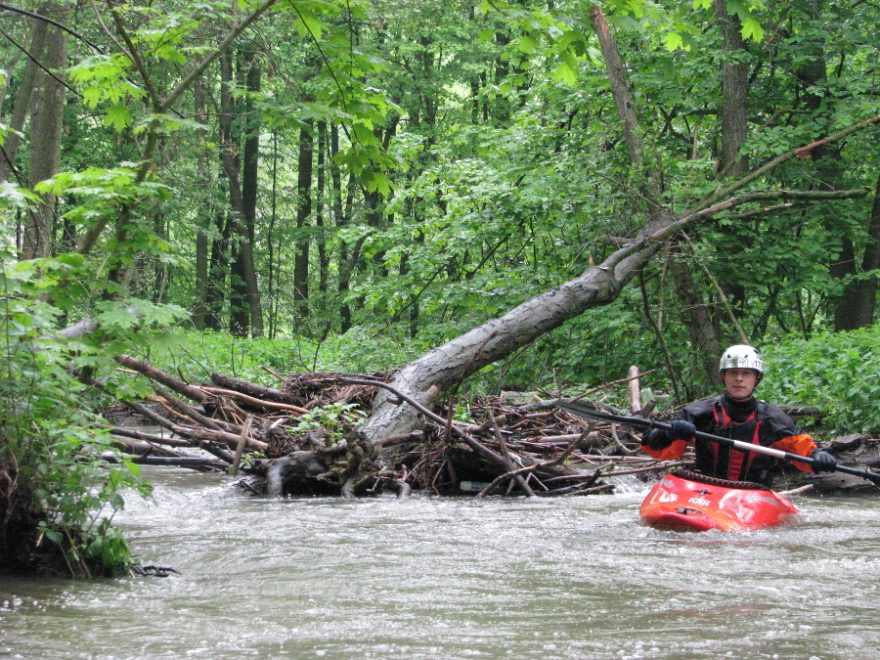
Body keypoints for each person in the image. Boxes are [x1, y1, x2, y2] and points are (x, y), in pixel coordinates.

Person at [640, 344, 837, 486]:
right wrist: (669, 433)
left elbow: (804, 450)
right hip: (704, 489)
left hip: (753, 494)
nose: (739, 379)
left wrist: (818, 456)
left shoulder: (772, 420)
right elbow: (651, 447)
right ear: (724, 376)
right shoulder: (700, 413)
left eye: (746, 373)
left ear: (757, 378)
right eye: (733, 372)